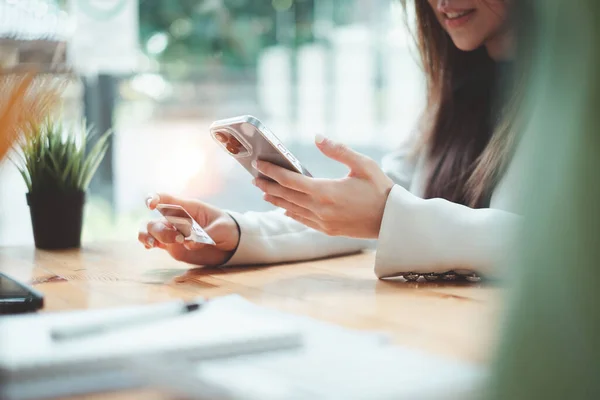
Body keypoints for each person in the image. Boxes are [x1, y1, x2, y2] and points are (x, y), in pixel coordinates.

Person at [139, 0, 523, 280]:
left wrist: (388, 215)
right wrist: (239, 233)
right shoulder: (462, 92)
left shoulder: (577, 104)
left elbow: (568, 247)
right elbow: (391, 205)